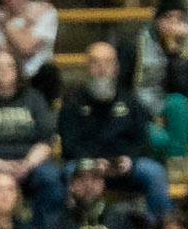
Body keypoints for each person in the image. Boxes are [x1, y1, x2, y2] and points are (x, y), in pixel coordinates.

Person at [59, 41, 171, 219]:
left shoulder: (130, 101)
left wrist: (129, 160)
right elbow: (69, 145)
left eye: (107, 62)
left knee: (154, 172)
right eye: (96, 62)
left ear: (116, 66)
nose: (102, 68)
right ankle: (69, 227)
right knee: (68, 171)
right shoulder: (73, 102)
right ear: (87, 66)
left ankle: (159, 228)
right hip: (87, 166)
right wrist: (93, 162)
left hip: (124, 167)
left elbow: (142, 142)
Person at [0, 45, 61, 227]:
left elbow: (46, 141)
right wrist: (2, 166)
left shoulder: (34, 99)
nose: (4, 71)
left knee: (51, 176)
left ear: (18, 70)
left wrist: (27, 164)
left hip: (29, 164)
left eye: (9, 66)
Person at [128, 0, 188, 163]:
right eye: (168, 18)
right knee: (159, 139)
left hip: (166, 107)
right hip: (138, 106)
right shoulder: (135, 44)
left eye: (179, 19)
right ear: (157, 19)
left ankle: (176, 162)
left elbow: (184, 88)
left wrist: (173, 52)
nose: (173, 24)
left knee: (179, 103)